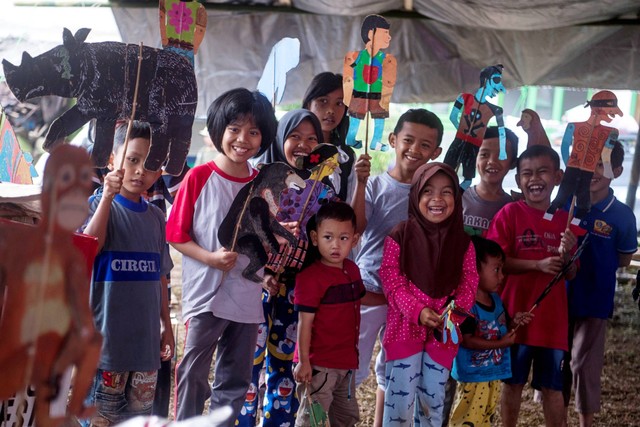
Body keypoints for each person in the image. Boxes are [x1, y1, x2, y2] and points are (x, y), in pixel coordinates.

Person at [166, 88, 277, 424]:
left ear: (263, 138)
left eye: (254, 132)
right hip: (205, 295)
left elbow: (264, 237)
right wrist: (210, 258)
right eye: (234, 129)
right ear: (218, 130)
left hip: (246, 295)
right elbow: (175, 234)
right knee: (194, 373)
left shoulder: (263, 183)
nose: (243, 139)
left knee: (235, 379)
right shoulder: (199, 177)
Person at [237, 109, 336, 427]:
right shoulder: (260, 178)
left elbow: (327, 242)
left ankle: (277, 422)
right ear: (281, 139)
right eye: (295, 136)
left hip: (296, 291)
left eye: (312, 138)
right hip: (255, 285)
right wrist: (265, 274)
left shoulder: (325, 190)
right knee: (247, 364)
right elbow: (243, 231)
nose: (303, 145)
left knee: (284, 368)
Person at [351, 108, 444, 426]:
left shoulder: (433, 196)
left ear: (437, 152)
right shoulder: (376, 185)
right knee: (353, 361)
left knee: (393, 368)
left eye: (425, 145)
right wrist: (360, 183)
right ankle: (339, 415)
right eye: (408, 140)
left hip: (407, 299)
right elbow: (356, 227)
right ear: (392, 140)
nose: (414, 150)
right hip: (370, 288)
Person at [81, 121, 174, 425]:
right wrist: (107, 198)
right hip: (106, 349)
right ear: (111, 159)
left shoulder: (157, 218)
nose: (139, 171)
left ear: (161, 171)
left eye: (151, 164)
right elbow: (89, 250)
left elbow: (160, 275)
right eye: (132, 160)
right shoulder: (96, 206)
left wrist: (166, 326)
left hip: (145, 349)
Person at [380, 162, 479, 426]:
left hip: (443, 335)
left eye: (446, 192)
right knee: (399, 403)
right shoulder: (399, 235)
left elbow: (470, 281)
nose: (437, 199)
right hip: (404, 331)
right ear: (415, 196)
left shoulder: (464, 242)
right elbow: (391, 280)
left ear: (456, 199)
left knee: (432, 403)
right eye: (428, 191)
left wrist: (453, 312)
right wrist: (418, 311)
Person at [486, 145, 578, 427]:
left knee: (553, 388)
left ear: (558, 177)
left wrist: (568, 257)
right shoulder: (509, 214)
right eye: (527, 173)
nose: (534, 179)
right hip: (514, 317)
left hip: (552, 323)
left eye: (542, 172)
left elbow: (572, 273)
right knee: (511, 384)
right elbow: (497, 264)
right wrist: (537, 265)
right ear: (518, 180)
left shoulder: (568, 220)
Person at [563, 141, 637, 427]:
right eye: (588, 162)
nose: (592, 171)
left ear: (616, 171)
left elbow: (624, 258)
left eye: (601, 165)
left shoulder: (621, 215)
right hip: (560, 297)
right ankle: (554, 415)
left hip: (595, 300)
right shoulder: (567, 204)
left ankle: (586, 421)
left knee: (585, 364)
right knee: (557, 360)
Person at [293, 201, 365, 426]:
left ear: (354, 239)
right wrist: (304, 362)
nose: (336, 245)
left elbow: (361, 297)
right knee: (313, 419)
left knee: (345, 418)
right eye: (328, 237)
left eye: (343, 238)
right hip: (319, 366)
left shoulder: (352, 270)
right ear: (315, 238)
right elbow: (305, 323)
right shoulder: (310, 278)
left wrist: (391, 299)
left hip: (346, 362)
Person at [449, 236, 533, 427]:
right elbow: (468, 341)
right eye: (496, 269)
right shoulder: (466, 305)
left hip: (493, 375)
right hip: (472, 377)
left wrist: (514, 323)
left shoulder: (496, 301)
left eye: (502, 269)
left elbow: (502, 326)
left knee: (485, 419)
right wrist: (501, 344)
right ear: (474, 270)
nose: (502, 276)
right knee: (468, 420)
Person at [545, 90, 622, 226]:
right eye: (610, 108)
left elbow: (606, 154)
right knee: (565, 189)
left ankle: (578, 216)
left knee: (582, 192)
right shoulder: (573, 126)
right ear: (597, 108)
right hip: (574, 166)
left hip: (587, 168)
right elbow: (564, 147)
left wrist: (608, 172)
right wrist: (568, 162)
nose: (615, 114)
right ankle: (552, 212)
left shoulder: (612, 132)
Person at [443, 64, 507, 189]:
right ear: (486, 80)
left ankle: (456, 195)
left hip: (470, 144)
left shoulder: (495, 109)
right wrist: (463, 132)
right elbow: (452, 117)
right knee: (447, 172)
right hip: (466, 143)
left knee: (465, 179)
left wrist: (503, 151)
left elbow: (502, 132)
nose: (501, 88)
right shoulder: (464, 98)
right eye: (496, 80)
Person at [343, 14, 397, 151]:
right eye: (385, 32)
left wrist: (385, 99)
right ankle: (350, 139)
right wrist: (347, 98)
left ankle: (376, 141)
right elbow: (348, 78)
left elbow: (389, 82)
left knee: (379, 119)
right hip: (358, 94)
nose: (389, 36)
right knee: (355, 119)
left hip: (377, 96)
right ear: (371, 33)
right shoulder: (354, 56)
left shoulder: (387, 59)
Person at [302, 71, 355, 202]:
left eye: (339, 103)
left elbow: (349, 206)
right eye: (323, 101)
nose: (331, 110)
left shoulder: (346, 156)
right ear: (309, 104)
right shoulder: (295, 148)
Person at [463, 126, 518, 237]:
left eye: (502, 155)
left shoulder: (513, 207)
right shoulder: (458, 197)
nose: (492, 161)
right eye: (484, 155)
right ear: (474, 159)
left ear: (513, 163)